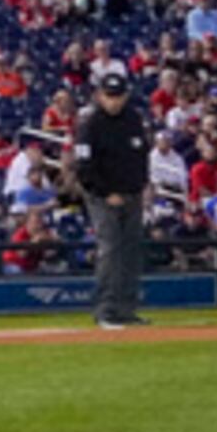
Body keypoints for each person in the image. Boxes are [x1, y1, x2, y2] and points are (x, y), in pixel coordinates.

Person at [72, 60, 150, 330]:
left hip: (132, 194)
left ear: (126, 95)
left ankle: (126, 309)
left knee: (130, 252)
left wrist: (141, 187)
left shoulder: (133, 119)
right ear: (99, 95)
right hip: (101, 196)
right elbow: (84, 167)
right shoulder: (90, 123)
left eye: (118, 96)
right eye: (109, 96)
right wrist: (107, 193)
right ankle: (106, 310)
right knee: (110, 250)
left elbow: (141, 157)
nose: (114, 102)